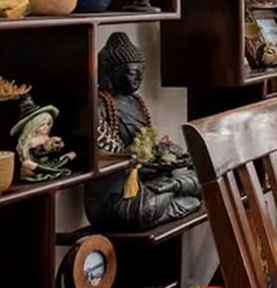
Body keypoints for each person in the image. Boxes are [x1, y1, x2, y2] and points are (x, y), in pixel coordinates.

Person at [84, 33, 201, 229]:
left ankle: (172, 192)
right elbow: (102, 157)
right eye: (132, 72)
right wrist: (134, 160)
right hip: (116, 196)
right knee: (146, 209)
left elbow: (148, 143)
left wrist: (165, 153)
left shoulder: (136, 101)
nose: (139, 77)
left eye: (142, 71)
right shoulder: (99, 106)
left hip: (145, 181)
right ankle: (174, 198)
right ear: (110, 74)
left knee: (198, 179)